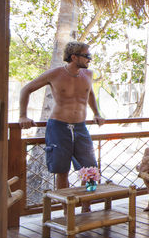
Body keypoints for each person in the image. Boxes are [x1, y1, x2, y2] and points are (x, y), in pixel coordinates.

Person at [18, 41, 106, 191]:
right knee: (62, 171)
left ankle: (86, 203)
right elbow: (26, 89)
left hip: (80, 126)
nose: (90, 59)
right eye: (87, 56)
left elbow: (90, 93)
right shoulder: (55, 74)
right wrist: (23, 116)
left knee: (91, 170)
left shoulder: (88, 74)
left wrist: (97, 113)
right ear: (74, 57)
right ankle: (66, 205)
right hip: (58, 126)